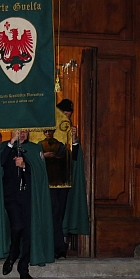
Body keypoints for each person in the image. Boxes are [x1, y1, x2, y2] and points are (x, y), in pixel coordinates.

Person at [0, 130, 53, 279]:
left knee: (28, 231)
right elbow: (1, 162)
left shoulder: (35, 148)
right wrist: (11, 143)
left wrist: (25, 165)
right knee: (17, 226)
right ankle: (12, 255)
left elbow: (40, 173)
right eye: (19, 131)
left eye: (25, 131)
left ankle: (23, 267)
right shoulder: (4, 148)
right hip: (12, 197)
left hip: (29, 197)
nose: (22, 134)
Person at [55, 99, 90, 245]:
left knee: (62, 211)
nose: (66, 118)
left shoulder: (70, 133)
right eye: (63, 114)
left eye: (68, 115)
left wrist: (74, 140)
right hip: (48, 179)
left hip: (63, 179)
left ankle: (60, 243)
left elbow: (74, 158)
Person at [39, 129, 70, 258]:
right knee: (48, 215)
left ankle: (58, 246)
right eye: (46, 131)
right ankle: (51, 246)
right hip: (44, 183)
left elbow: (67, 158)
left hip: (59, 182)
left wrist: (58, 156)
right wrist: (43, 156)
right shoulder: (39, 144)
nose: (48, 133)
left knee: (57, 215)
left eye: (50, 131)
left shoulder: (60, 145)